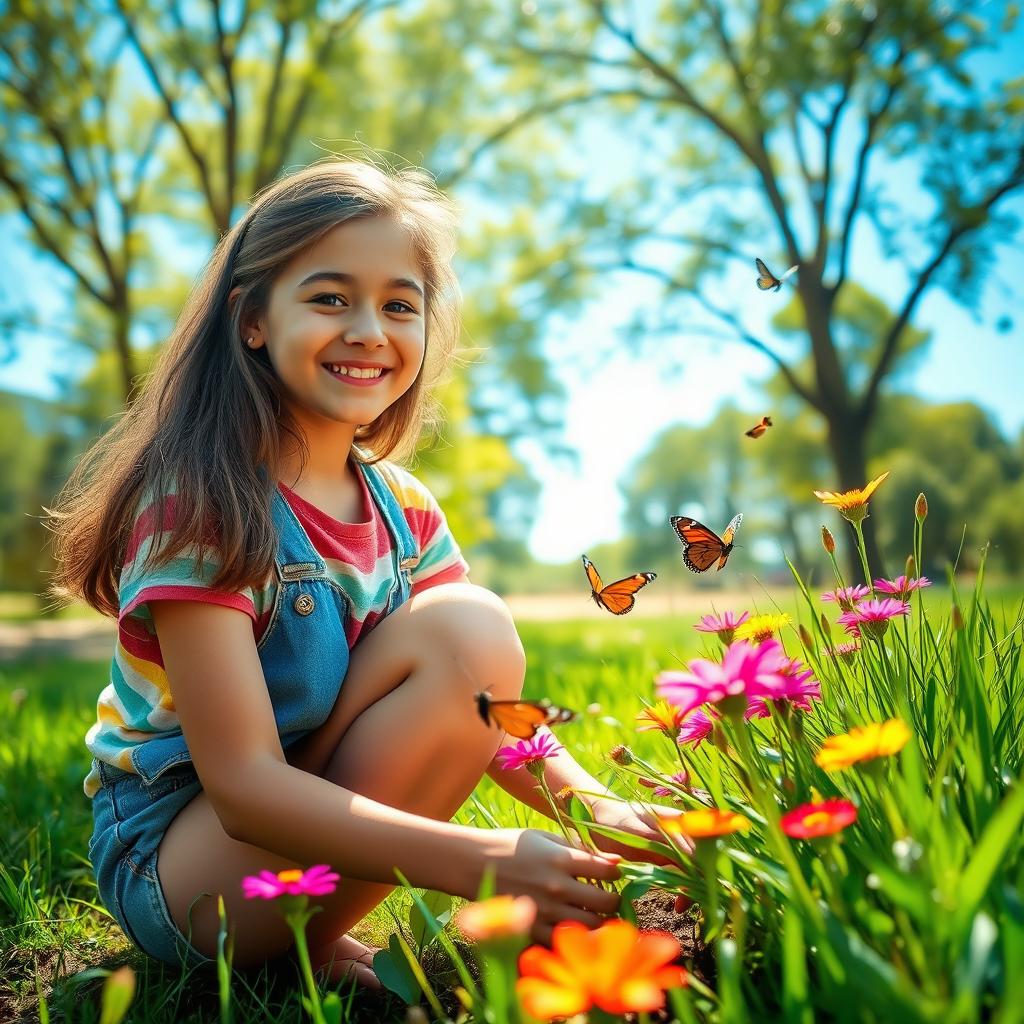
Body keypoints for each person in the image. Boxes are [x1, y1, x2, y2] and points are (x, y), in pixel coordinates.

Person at [46, 159, 665, 990]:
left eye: (399, 305)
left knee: (469, 630)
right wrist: (484, 860)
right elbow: (244, 789)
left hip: (302, 825)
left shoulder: (402, 508)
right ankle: (288, 947)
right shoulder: (203, 504)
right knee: (463, 629)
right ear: (254, 320)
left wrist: (598, 807)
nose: (370, 330)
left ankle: (314, 950)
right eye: (331, 298)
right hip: (184, 872)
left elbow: (484, 710)